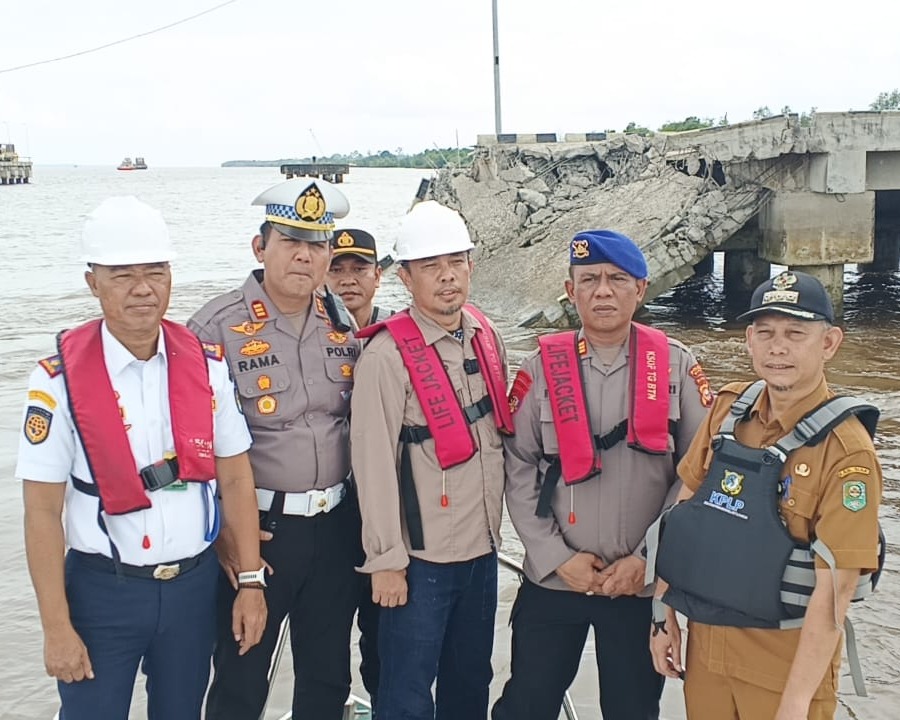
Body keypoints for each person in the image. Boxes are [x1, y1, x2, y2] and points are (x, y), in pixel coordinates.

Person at [16, 196, 266, 720]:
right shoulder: (57, 381)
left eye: (155, 272)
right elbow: (41, 511)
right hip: (103, 592)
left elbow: (236, 477)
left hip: (192, 590)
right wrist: (56, 627)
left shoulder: (206, 366)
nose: (143, 288)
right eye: (123, 275)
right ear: (93, 282)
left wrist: (250, 581)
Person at [492, 229, 712, 720]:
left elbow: (698, 473)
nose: (603, 291)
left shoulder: (676, 366)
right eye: (589, 280)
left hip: (638, 585)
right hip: (555, 581)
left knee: (632, 709)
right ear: (570, 292)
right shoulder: (540, 369)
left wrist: (647, 559)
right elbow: (518, 467)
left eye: (617, 279)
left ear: (641, 288)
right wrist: (556, 557)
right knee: (526, 705)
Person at [650, 270, 883, 720]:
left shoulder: (846, 451)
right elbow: (685, 515)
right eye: (765, 333)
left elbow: (836, 587)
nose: (778, 347)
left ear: (829, 343)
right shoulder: (727, 412)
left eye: (796, 333)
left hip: (785, 667)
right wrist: (662, 612)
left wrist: (795, 702)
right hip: (707, 655)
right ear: (749, 342)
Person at [188, 178, 360, 720]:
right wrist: (221, 535)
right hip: (259, 533)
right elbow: (189, 447)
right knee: (241, 679)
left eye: (317, 244)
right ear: (260, 247)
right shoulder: (215, 328)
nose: (305, 256)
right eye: (290, 241)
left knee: (328, 678)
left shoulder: (341, 322)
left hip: (334, 528)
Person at [351, 200, 513, 720]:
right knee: (406, 692)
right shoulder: (385, 358)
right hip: (420, 564)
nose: (447, 276)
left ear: (471, 265)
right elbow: (373, 468)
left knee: (470, 683)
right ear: (405, 277)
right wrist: (385, 563)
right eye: (430, 266)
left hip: (482, 551)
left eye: (456, 262)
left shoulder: (485, 336)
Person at [327, 227, 391, 328]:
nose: (348, 281)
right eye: (336, 270)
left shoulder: (398, 329)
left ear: (377, 276)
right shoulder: (308, 330)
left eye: (359, 269)